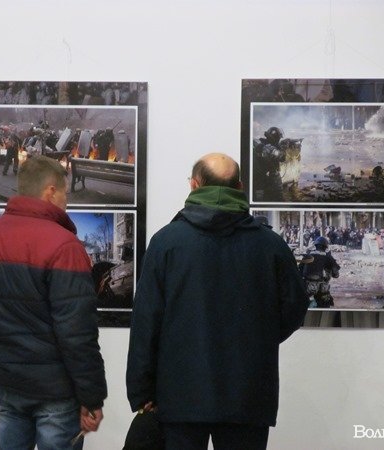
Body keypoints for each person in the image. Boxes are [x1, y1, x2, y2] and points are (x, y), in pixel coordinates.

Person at [126, 153, 309, 450]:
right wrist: (258, 338)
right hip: (248, 393)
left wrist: (141, 390)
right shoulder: (270, 245)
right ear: (239, 187)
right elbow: (295, 309)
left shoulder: (166, 243)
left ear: (194, 185)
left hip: (179, 393)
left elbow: (146, 321)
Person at [0, 155, 107, 450]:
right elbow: (77, 334)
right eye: (65, 194)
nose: (66, 202)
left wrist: (5, 356)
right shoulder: (64, 246)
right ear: (50, 191)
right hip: (58, 392)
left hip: (9, 387)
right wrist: (92, 398)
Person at [299, 236, 340, 308]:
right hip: (322, 289)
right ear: (325, 247)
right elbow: (336, 275)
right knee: (326, 304)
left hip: (306, 288)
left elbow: (299, 270)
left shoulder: (308, 255)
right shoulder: (328, 257)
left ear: (315, 245)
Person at [253, 126, 286, 201]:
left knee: (277, 195)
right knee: (261, 197)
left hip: (272, 174)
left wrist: (279, 151)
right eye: (278, 137)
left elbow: (282, 158)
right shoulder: (262, 144)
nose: (279, 139)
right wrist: (262, 148)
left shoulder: (275, 146)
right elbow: (254, 143)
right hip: (262, 175)